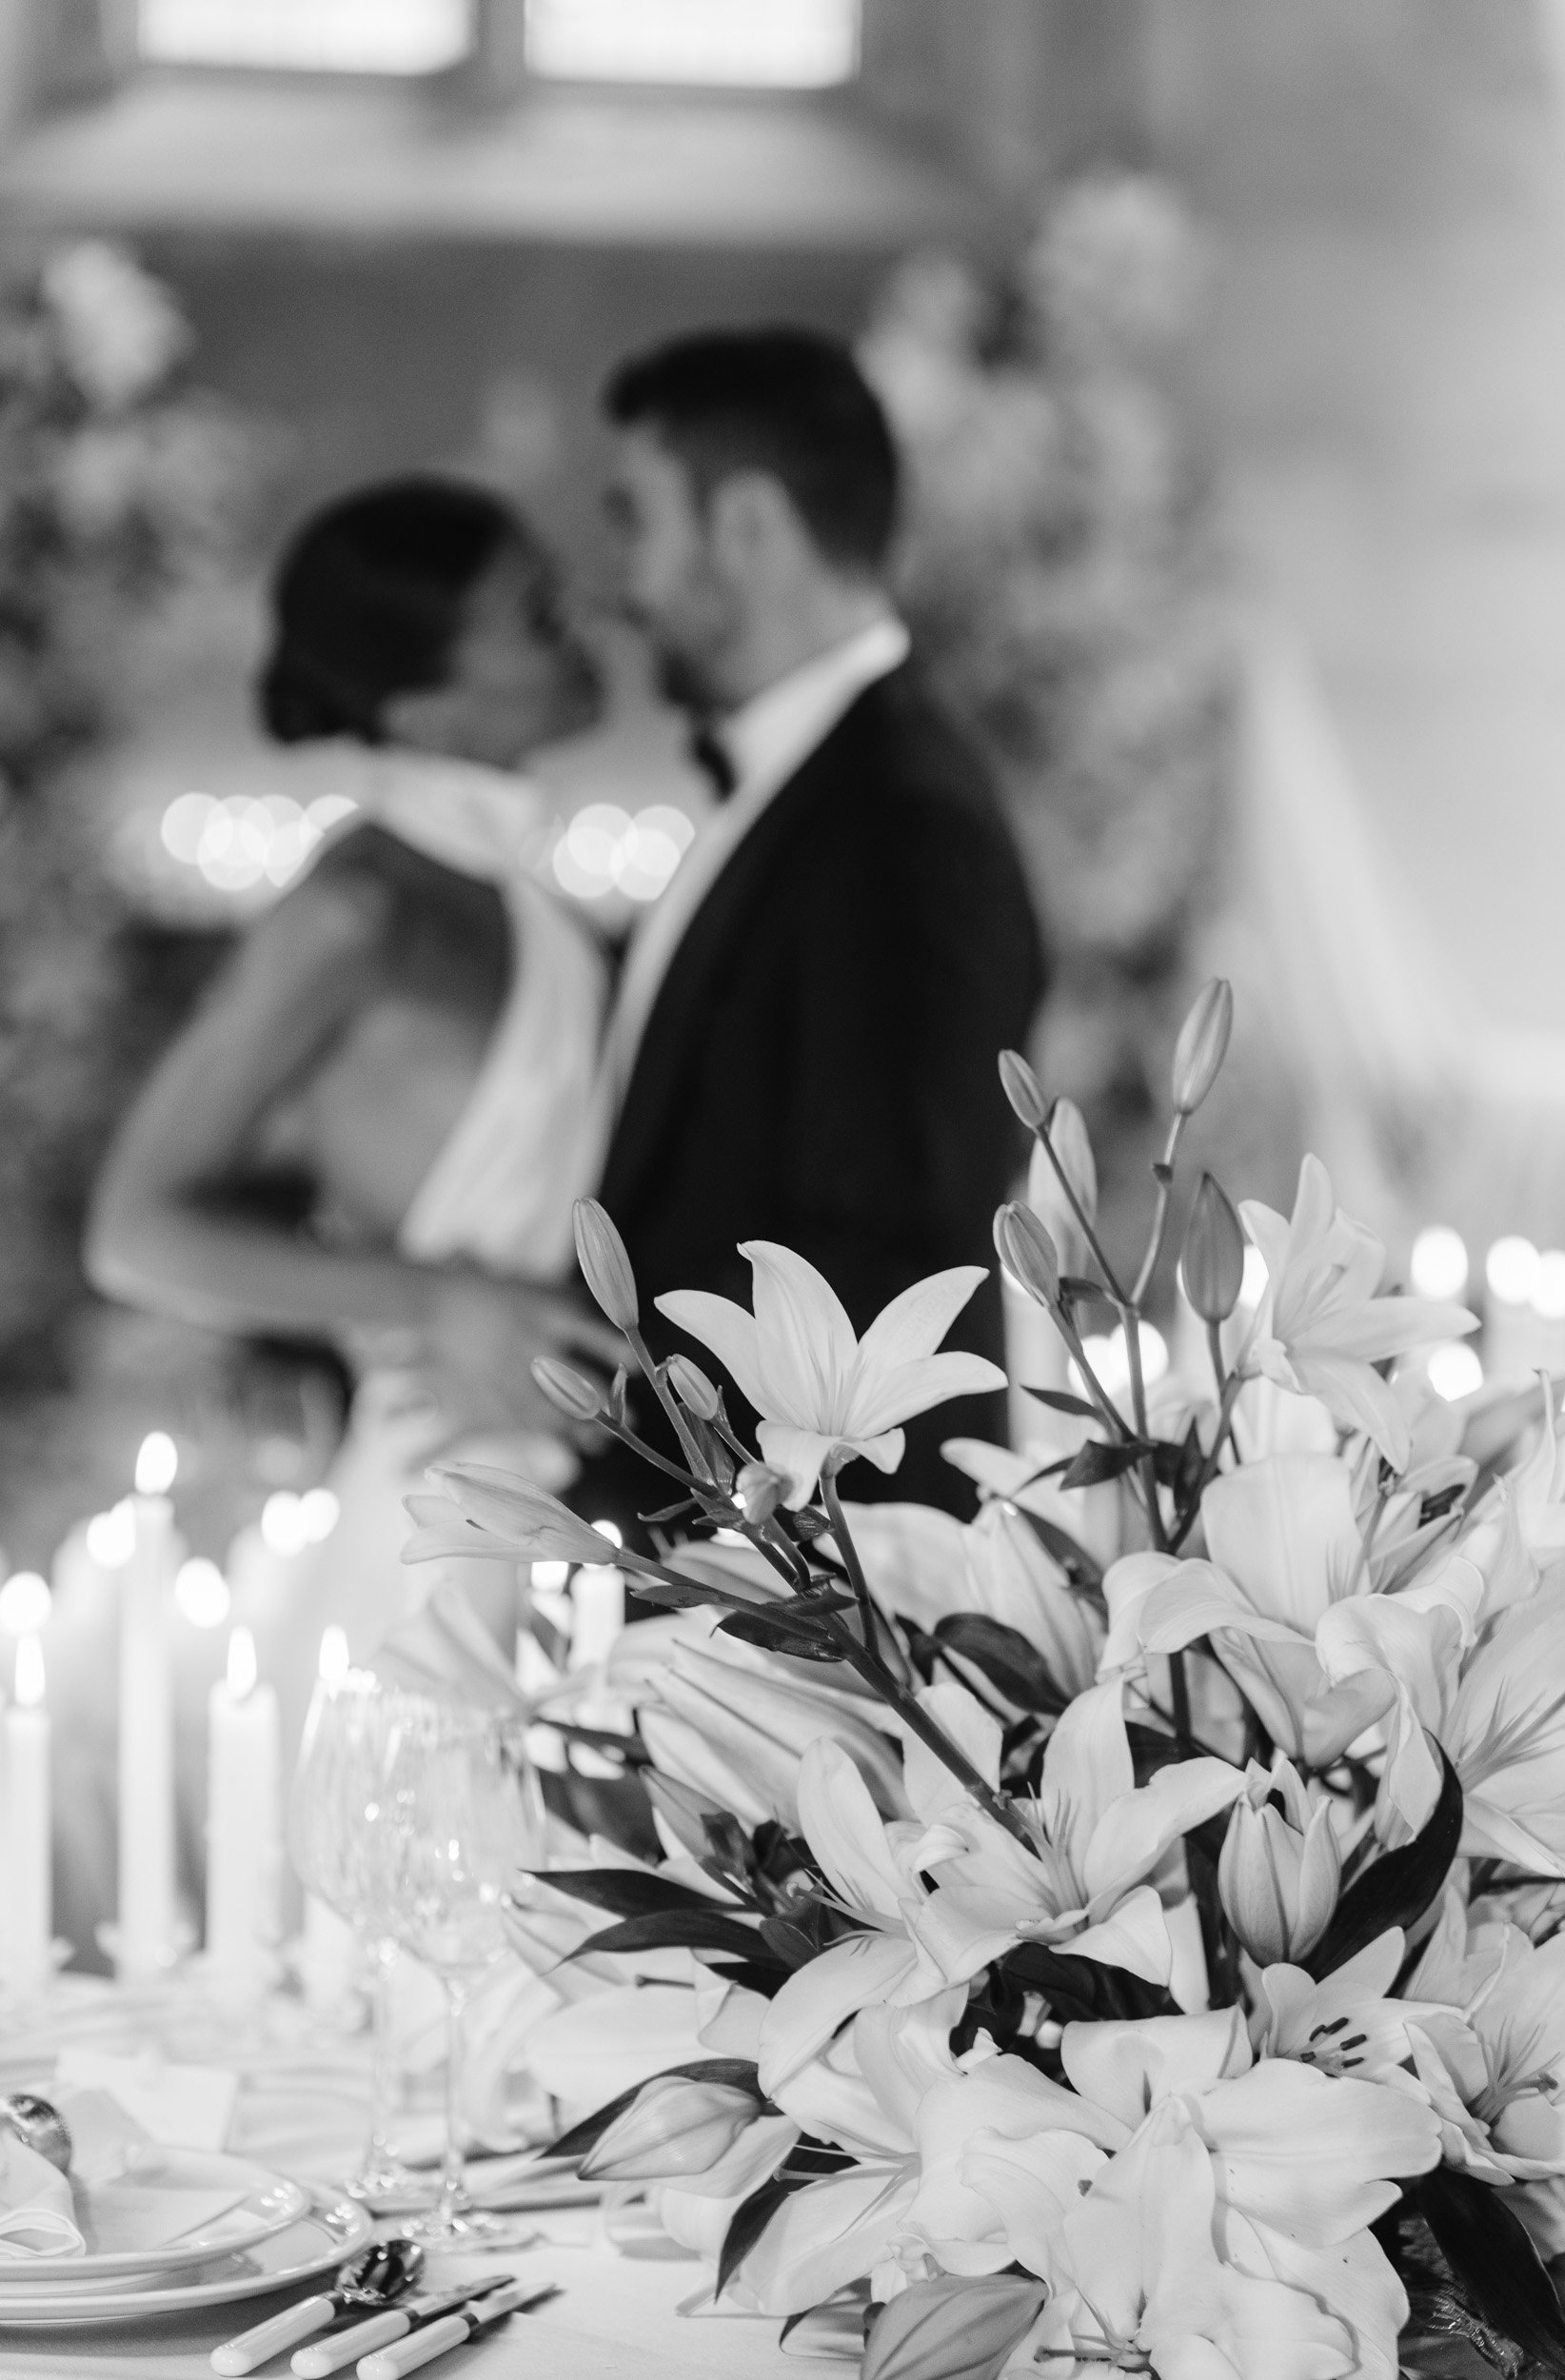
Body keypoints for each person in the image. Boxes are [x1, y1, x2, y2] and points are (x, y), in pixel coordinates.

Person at [88, 476, 625, 1689]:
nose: (583, 623)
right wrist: (432, 1301)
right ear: (422, 706)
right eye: (537, 613)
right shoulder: (354, 907)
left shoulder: (523, 896)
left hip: (566, 1504)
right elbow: (134, 1230)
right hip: (426, 1519)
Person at [583, 326, 1043, 1524]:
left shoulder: (899, 819)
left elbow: (888, 1259)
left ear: (743, 524)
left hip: (801, 1591)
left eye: (633, 517)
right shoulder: (817, 791)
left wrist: (732, 1555)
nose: (619, 581)